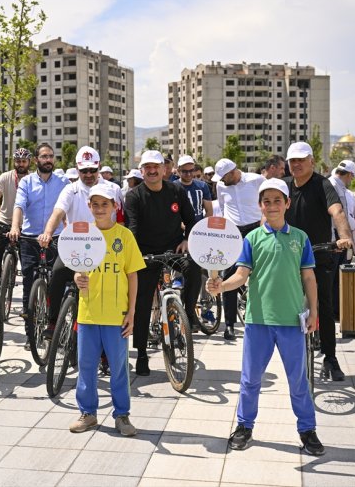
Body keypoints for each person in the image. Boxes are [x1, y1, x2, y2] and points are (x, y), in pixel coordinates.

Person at [206, 178, 324, 456]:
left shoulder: (300, 238)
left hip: (291, 322)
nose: (271, 206)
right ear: (259, 206)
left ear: (287, 203)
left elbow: (309, 277)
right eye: (266, 201)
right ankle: (244, 426)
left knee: (298, 380)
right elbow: (241, 275)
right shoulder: (252, 239)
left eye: (277, 200)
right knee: (250, 379)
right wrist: (221, 285)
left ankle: (307, 430)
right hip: (258, 320)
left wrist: (314, 312)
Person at [70, 183, 145, 436]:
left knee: (119, 368)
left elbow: (132, 276)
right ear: (89, 207)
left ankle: (122, 415)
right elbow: (77, 269)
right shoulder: (82, 234)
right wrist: (77, 278)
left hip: (116, 317)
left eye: (105, 204)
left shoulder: (125, 236)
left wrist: (131, 312)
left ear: (115, 206)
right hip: (88, 314)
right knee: (87, 366)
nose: (100, 209)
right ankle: (88, 413)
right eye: (95, 204)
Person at [124, 150, 200, 376]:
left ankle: (188, 313)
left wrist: (186, 239)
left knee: (194, 269)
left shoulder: (176, 190)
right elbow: (132, 229)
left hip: (173, 247)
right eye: (147, 167)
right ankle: (141, 354)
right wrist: (135, 255)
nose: (152, 170)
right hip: (145, 253)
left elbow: (191, 219)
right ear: (142, 171)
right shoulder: (134, 195)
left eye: (156, 166)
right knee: (142, 301)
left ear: (164, 169)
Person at [284, 142, 353, 380]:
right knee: (287, 305)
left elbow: (337, 211)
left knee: (323, 305)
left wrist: (344, 237)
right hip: (288, 256)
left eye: (301, 160)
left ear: (312, 161)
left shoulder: (323, 184)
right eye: (293, 160)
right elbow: (268, 215)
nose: (297, 164)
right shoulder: (283, 186)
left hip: (319, 255)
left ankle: (331, 359)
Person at [38, 146, 121, 339]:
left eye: (93, 170)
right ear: (77, 169)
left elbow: (122, 220)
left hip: (104, 248)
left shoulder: (113, 189)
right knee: (57, 273)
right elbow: (58, 212)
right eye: (84, 170)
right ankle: (53, 320)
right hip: (75, 247)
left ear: (99, 167)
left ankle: (105, 345)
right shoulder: (71, 190)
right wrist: (47, 233)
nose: (89, 174)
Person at [9, 143, 68, 345]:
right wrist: (15, 227)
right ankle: (30, 334)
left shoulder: (63, 181)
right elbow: (19, 206)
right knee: (28, 286)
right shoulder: (26, 182)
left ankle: (56, 327)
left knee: (57, 283)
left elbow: (67, 209)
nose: (48, 160)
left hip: (55, 239)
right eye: (44, 156)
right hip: (30, 239)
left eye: (51, 156)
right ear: (36, 160)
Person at [214, 158, 265, 341]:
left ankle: (263, 319)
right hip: (233, 232)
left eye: (223, 176)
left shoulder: (256, 180)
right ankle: (229, 325)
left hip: (256, 229)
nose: (220, 180)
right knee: (228, 276)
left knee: (261, 273)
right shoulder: (221, 186)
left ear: (232, 172)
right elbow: (220, 208)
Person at [328, 160, 355, 319]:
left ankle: (336, 309)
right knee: (333, 277)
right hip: (335, 239)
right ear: (348, 174)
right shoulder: (332, 186)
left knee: (338, 275)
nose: (351, 181)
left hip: (340, 237)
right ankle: (333, 311)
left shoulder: (338, 186)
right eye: (352, 177)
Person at [0, 148, 31, 287]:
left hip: (25, 225)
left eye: (23, 161)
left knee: (27, 262)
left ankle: (29, 297)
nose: (20, 164)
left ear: (29, 162)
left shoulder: (33, 178)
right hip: (4, 221)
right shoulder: (5, 177)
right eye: (17, 161)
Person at [176, 155, 212, 222]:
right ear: (178, 171)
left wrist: (202, 227)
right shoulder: (173, 187)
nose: (189, 174)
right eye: (184, 171)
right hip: (179, 230)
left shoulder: (202, 185)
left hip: (199, 229)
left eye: (191, 170)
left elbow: (209, 211)